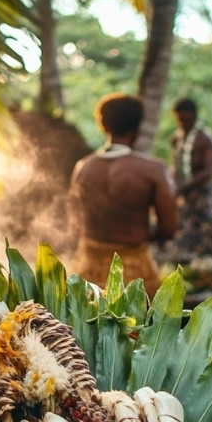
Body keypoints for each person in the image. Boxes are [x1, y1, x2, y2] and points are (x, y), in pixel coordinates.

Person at [69, 93, 178, 297]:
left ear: (103, 125)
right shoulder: (153, 171)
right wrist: (138, 233)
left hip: (87, 270)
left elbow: (75, 224)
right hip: (134, 272)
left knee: (82, 327)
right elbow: (169, 229)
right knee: (139, 328)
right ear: (136, 128)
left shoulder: (83, 169)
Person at [167, 97, 212, 259]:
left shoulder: (205, 138)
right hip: (184, 194)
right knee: (184, 230)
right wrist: (172, 183)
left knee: (205, 232)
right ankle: (186, 262)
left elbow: (209, 169)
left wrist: (186, 185)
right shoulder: (177, 138)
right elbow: (176, 164)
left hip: (202, 195)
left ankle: (208, 265)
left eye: (186, 119)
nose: (182, 123)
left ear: (194, 116)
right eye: (179, 120)